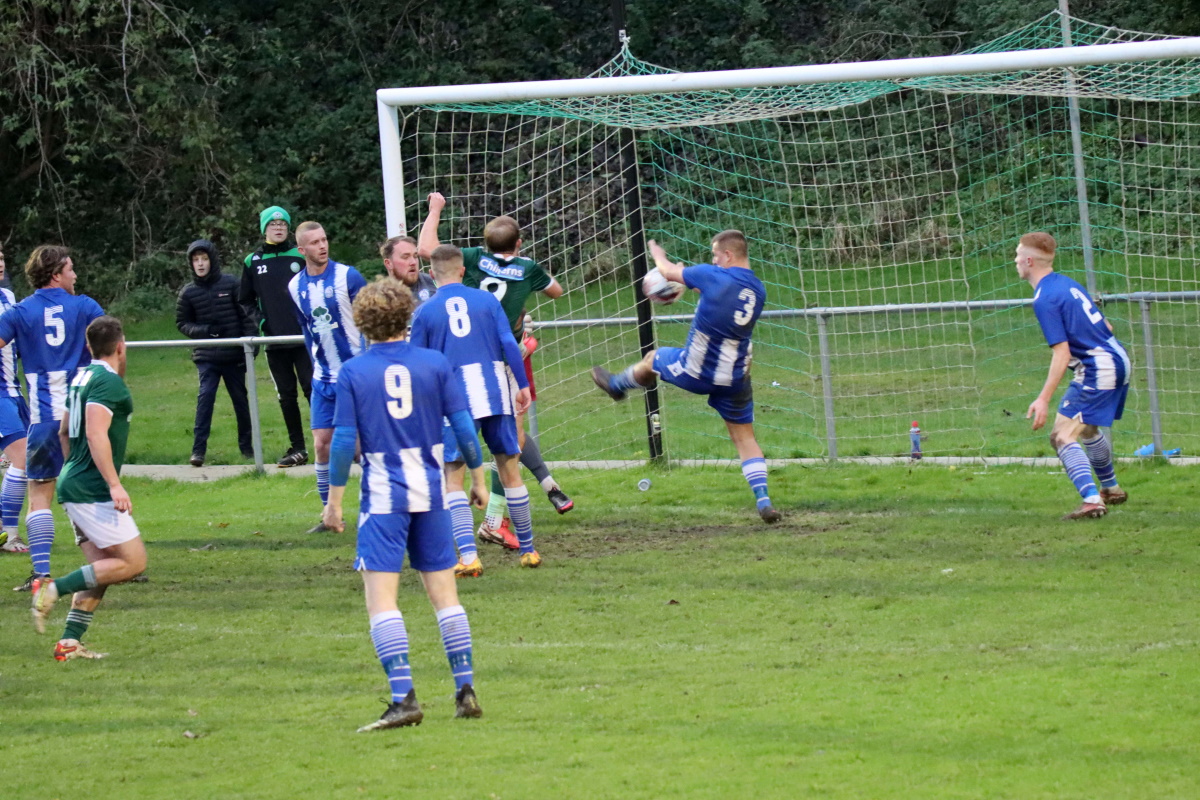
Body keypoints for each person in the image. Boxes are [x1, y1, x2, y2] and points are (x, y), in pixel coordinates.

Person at [321, 277, 487, 730]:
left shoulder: (354, 371)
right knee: (445, 596)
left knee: (382, 600)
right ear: (407, 314)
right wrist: (477, 476)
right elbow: (465, 428)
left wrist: (334, 502)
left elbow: (342, 445)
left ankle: (404, 698)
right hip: (431, 489)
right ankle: (465, 689)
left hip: (384, 495)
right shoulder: (434, 363)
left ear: (362, 321)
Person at [417, 192, 573, 552]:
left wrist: (436, 208)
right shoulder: (526, 269)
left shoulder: (471, 261)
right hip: (501, 362)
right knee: (510, 448)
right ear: (519, 243)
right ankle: (503, 523)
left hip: (460, 371)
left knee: (460, 463)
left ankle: (482, 535)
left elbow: (429, 247)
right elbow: (557, 291)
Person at [591, 231, 781, 523]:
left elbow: (668, 271)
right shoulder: (756, 290)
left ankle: (617, 385)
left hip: (696, 370)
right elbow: (719, 290)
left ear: (728, 255)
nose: (713, 260)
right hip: (735, 376)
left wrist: (656, 252)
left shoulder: (710, 275)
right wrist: (690, 284)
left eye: (716, 255)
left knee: (653, 359)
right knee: (744, 438)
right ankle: (764, 501)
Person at [410, 244, 537, 574]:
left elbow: (417, 365)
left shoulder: (424, 312)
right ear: (462, 271)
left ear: (433, 275)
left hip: (454, 400)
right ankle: (529, 550)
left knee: (453, 476)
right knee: (509, 468)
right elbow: (510, 343)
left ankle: (468, 557)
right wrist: (521, 384)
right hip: (495, 390)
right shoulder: (486, 301)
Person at [31, 316, 145, 660]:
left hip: (74, 483)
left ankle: (68, 642)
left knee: (102, 572)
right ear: (121, 347)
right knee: (134, 562)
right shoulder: (109, 384)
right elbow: (95, 433)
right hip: (92, 489)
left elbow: (65, 431)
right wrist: (114, 484)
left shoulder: (81, 377)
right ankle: (52, 589)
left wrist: (72, 470)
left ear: (89, 347)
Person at [0, 246, 105, 591]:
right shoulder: (86, 307)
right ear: (56, 274)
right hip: (82, 415)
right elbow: (110, 352)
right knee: (93, 489)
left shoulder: (19, 312)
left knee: (40, 494)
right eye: (71, 269)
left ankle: (42, 574)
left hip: (45, 420)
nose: (76, 275)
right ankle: (113, 564)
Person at [1017, 232, 1131, 519]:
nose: (1015, 260)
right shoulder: (1067, 284)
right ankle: (1112, 489)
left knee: (1062, 436)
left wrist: (1043, 399)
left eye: (1018, 254)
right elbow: (1107, 324)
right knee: (1087, 428)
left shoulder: (1044, 298)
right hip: (1118, 360)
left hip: (1098, 369)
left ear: (1029, 260)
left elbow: (1062, 354)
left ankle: (1092, 500)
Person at [289, 221, 367, 533]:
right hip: (323, 378)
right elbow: (307, 330)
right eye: (315, 242)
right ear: (301, 250)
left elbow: (368, 320)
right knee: (321, 444)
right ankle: (329, 516)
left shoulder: (348, 276)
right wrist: (315, 366)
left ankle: (379, 509)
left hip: (355, 376)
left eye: (324, 239)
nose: (323, 245)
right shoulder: (295, 286)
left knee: (361, 449)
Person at [239, 206, 312, 468]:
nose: (278, 228)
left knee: (312, 389)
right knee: (286, 394)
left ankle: (325, 443)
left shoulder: (300, 256)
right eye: (273, 224)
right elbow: (244, 301)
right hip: (274, 341)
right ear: (264, 229)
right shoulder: (253, 261)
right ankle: (298, 448)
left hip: (303, 339)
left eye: (283, 224)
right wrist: (261, 322)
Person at [176, 239, 256, 466]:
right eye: (195, 260)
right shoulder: (188, 293)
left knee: (241, 401)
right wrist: (205, 332)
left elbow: (246, 315)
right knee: (205, 398)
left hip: (234, 356)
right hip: (207, 356)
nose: (200, 264)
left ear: (212, 260)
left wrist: (250, 348)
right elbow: (182, 323)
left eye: (204, 259)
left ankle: (248, 451)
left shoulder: (231, 284)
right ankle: (198, 451)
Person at [0, 243, 30, 555]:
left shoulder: (7, 296)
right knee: (21, 460)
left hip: (13, 389)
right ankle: (10, 535)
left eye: (2, 258)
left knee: (28, 460)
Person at [381, 235, 437, 307]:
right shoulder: (381, 298)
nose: (413, 262)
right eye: (405, 257)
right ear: (388, 264)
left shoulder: (435, 284)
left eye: (415, 256)